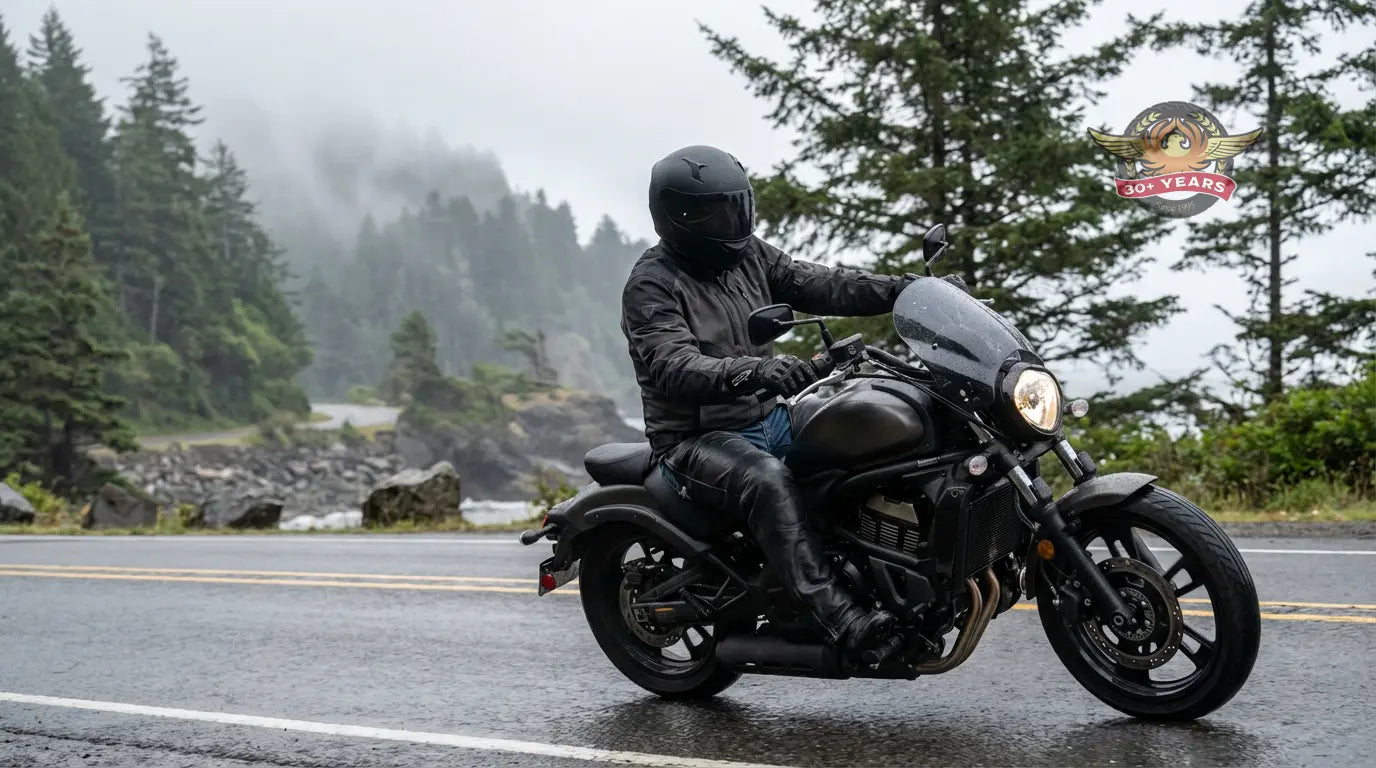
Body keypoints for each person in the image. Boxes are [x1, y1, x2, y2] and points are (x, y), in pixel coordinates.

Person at [620, 144, 913, 660]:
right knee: (768, 480)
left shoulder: (751, 254)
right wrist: (758, 370)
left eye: (738, 205)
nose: (734, 220)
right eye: (719, 210)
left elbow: (820, 284)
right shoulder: (652, 284)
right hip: (693, 440)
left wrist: (907, 291)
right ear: (681, 216)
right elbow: (675, 365)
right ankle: (843, 622)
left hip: (767, 418)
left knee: (860, 428)